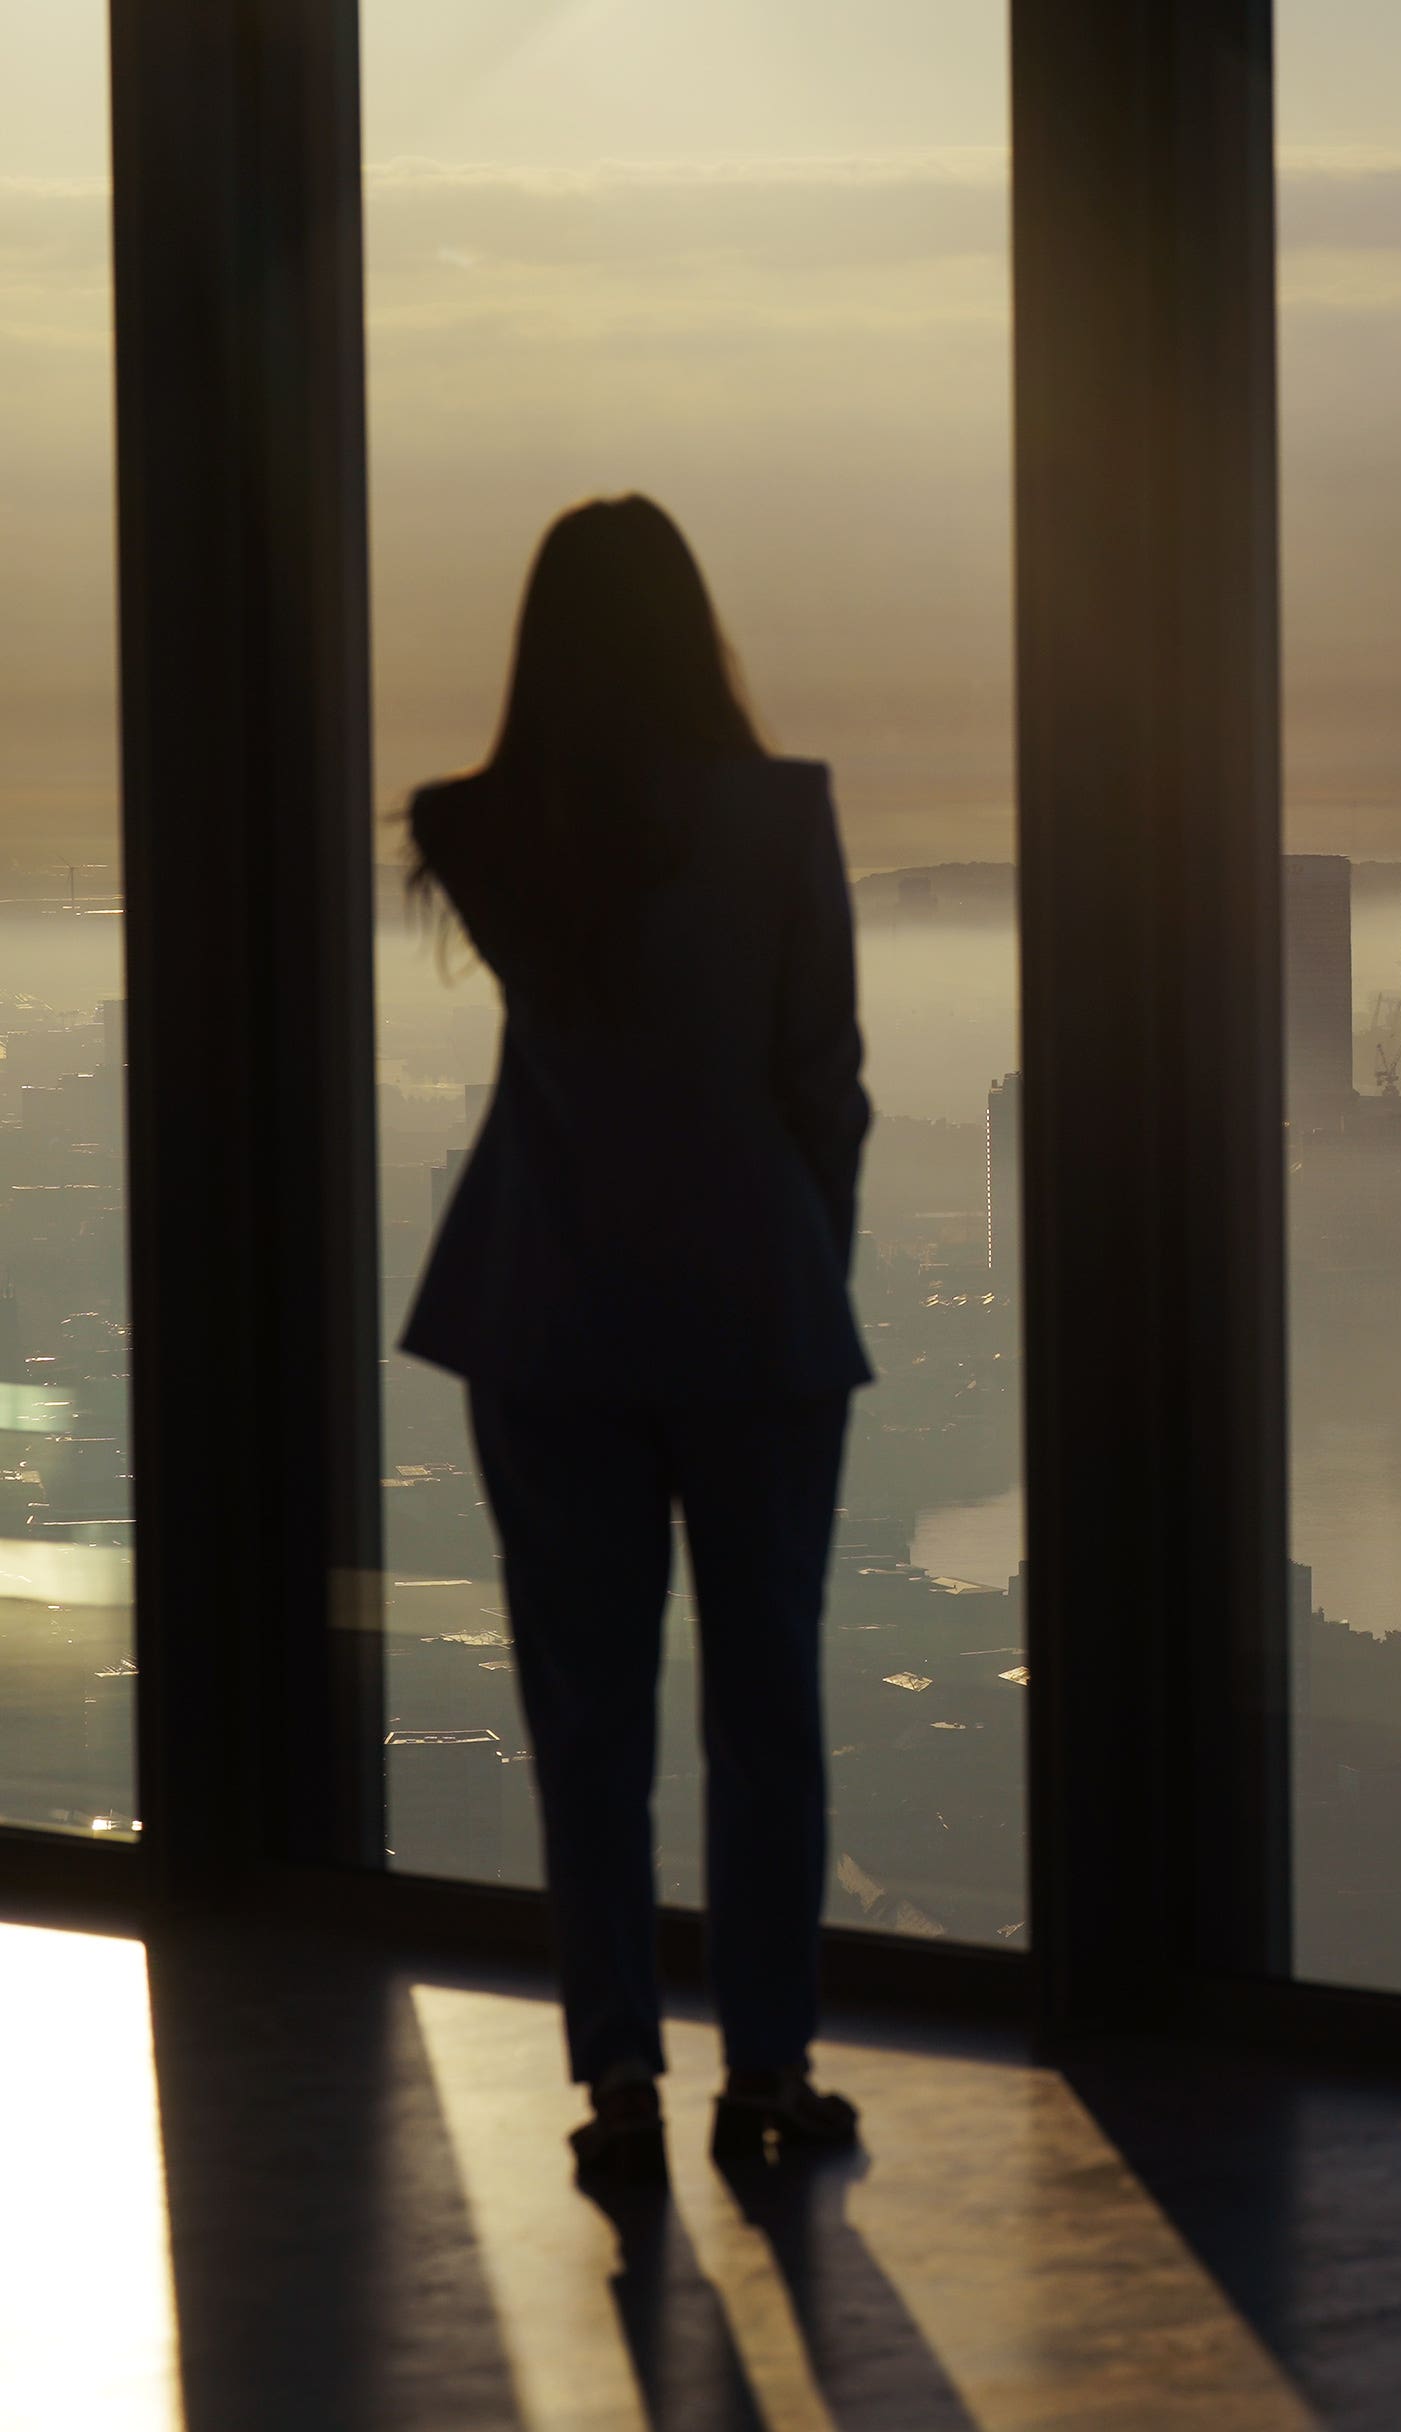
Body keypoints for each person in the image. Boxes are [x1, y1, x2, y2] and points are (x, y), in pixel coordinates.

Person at [402, 495, 875, 2183]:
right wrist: (806, 1262)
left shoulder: (479, 829)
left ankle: (615, 2081)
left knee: (586, 1720)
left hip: (545, 1307)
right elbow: (822, 1080)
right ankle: (768, 2074)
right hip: (755, 1310)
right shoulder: (780, 821)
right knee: (767, 1709)